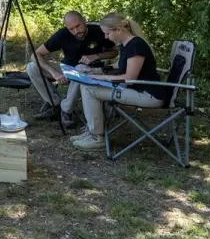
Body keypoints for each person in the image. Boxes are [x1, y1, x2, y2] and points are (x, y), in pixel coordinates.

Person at [70, 12, 164, 150]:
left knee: (90, 90)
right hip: (136, 90)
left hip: (148, 96)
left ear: (118, 30)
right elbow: (120, 67)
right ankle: (92, 132)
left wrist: (102, 77)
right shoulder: (127, 45)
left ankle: (97, 138)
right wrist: (94, 72)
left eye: (107, 33)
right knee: (87, 85)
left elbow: (129, 77)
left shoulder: (136, 45)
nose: (106, 37)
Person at [28, 11, 117, 128]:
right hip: (67, 69)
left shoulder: (98, 31)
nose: (76, 31)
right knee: (32, 67)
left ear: (84, 20)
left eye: (78, 26)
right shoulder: (63, 34)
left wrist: (97, 56)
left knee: (80, 68)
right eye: (71, 29)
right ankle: (55, 104)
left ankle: (66, 110)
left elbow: (115, 51)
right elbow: (35, 54)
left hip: (90, 71)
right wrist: (54, 72)